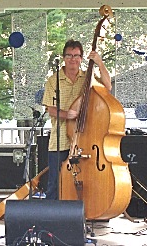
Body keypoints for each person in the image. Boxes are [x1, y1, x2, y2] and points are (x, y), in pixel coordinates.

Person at [42, 39, 111, 200]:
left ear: (81, 58)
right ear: (64, 57)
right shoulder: (54, 80)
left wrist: (99, 63)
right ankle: (52, 219)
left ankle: (83, 213)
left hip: (84, 139)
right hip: (60, 139)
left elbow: (107, 87)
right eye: (69, 55)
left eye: (76, 56)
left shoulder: (88, 77)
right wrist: (67, 115)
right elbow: (49, 108)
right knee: (55, 182)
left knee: (85, 179)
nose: (73, 59)